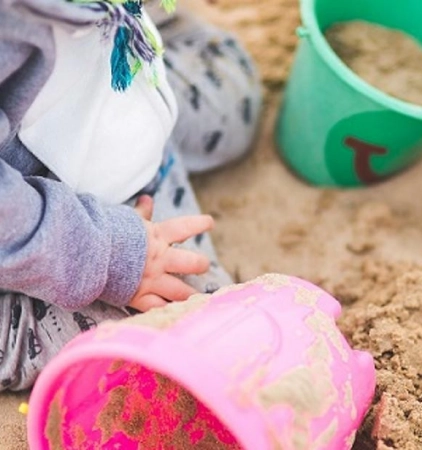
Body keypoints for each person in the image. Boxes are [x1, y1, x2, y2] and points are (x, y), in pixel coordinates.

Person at [0, 0, 262, 391]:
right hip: (40, 227)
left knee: (233, 105)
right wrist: (110, 256)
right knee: (190, 328)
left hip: (110, 92)